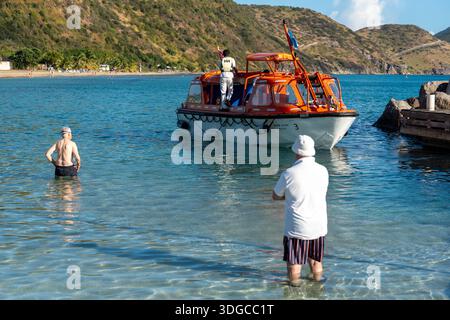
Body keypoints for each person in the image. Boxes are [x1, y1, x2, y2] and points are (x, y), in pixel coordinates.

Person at [272, 135, 329, 286]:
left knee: (294, 270)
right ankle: (318, 291)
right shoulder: (323, 171)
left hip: (297, 228)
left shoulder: (289, 173)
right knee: (317, 265)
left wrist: (289, 197)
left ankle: (294, 293)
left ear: (296, 152)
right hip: (319, 227)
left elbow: (276, 196)